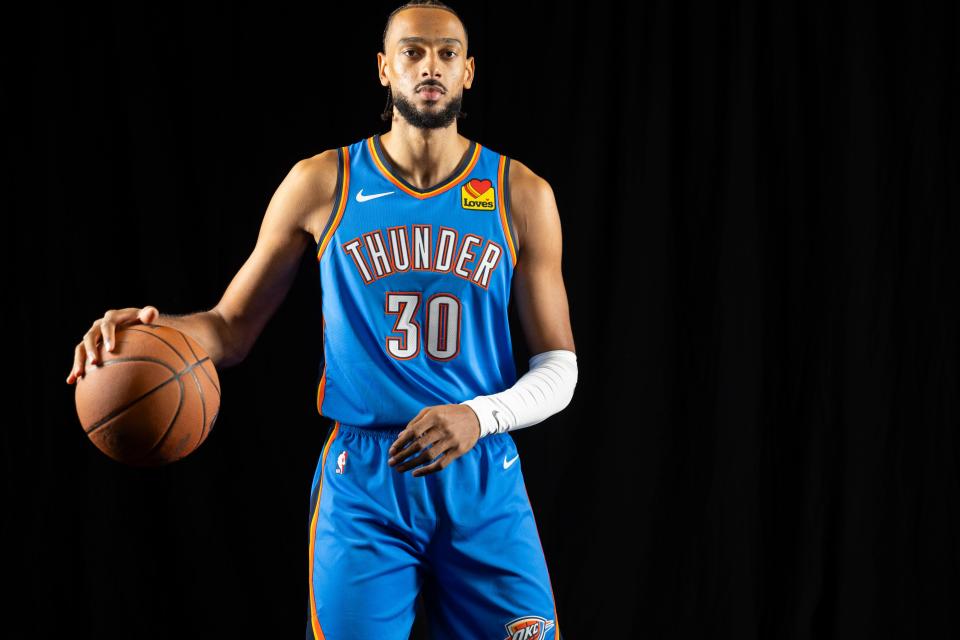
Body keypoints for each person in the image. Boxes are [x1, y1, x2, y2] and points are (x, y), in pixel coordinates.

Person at [66, 1, 577, 638]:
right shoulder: (322, 182)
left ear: (468, 71)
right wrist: (149, 331)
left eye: (447, 53)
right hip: (366, 476)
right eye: (412, 52)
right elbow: (229, 327)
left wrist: (480, 415)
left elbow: (560, 366)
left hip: (482, 466)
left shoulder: (519, 192)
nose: (430, 66)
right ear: (384, 68)